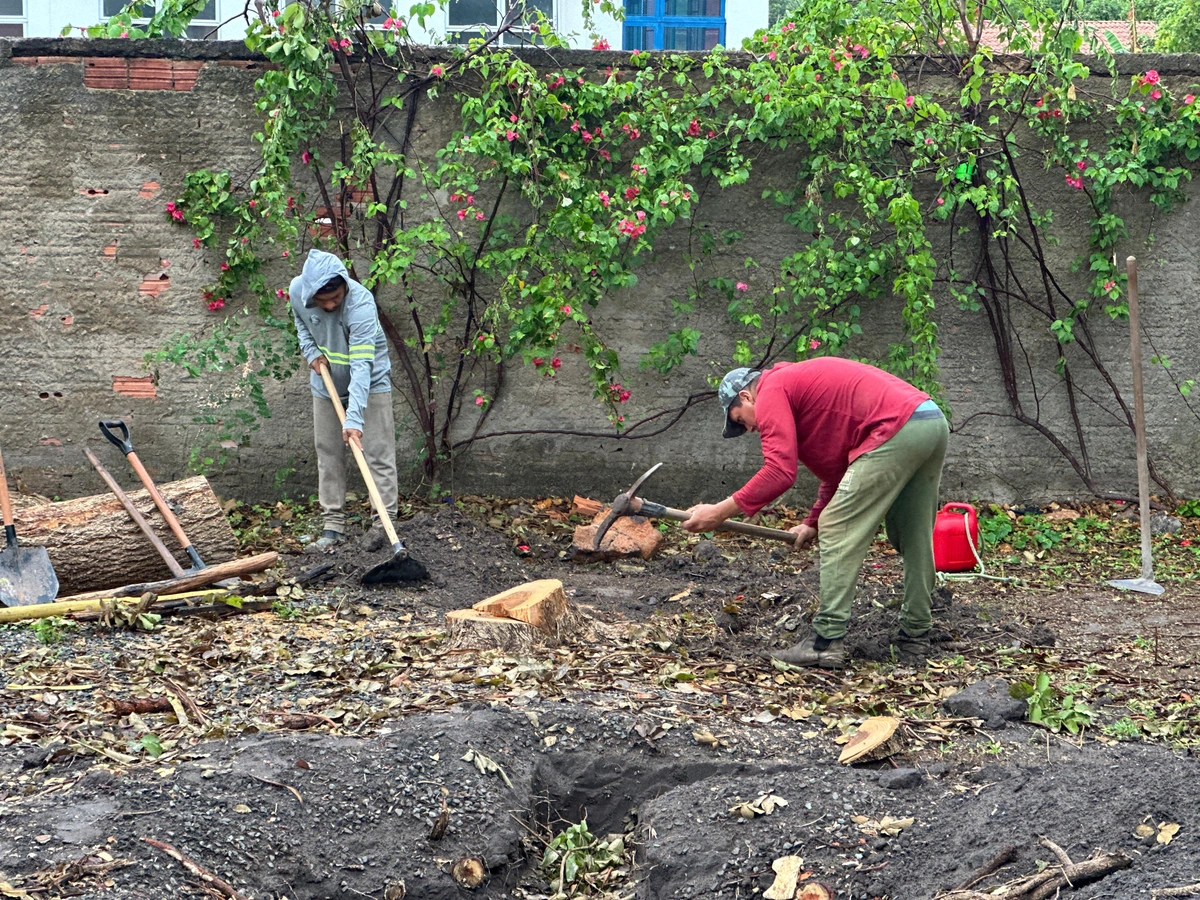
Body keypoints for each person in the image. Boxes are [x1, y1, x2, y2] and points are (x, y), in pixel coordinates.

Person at [683, 358, 949, 668]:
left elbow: (779, 472)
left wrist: (719, 512)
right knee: (914, 532)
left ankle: (825, 641)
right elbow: (839, 472)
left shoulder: (771, 390)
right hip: (929, 421)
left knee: (837, 524)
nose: (751, 428)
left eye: (741, 421)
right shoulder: (803, 397)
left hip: (895, 427)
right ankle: (915, 636)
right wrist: (811, 523)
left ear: (745, 396)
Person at [290, 249, 397, 553]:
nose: (332, 304)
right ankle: (333, 526)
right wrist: (310, 351)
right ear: (311, 294)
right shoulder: (297, 291)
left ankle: (383, 525)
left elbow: (363, 366)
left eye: (336, 297)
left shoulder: (360, 304)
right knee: (328, 453)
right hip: (326, 385)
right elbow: (301, 324)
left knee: (377, 453)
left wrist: (354, 418)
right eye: (324, 301)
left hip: (371, 384)